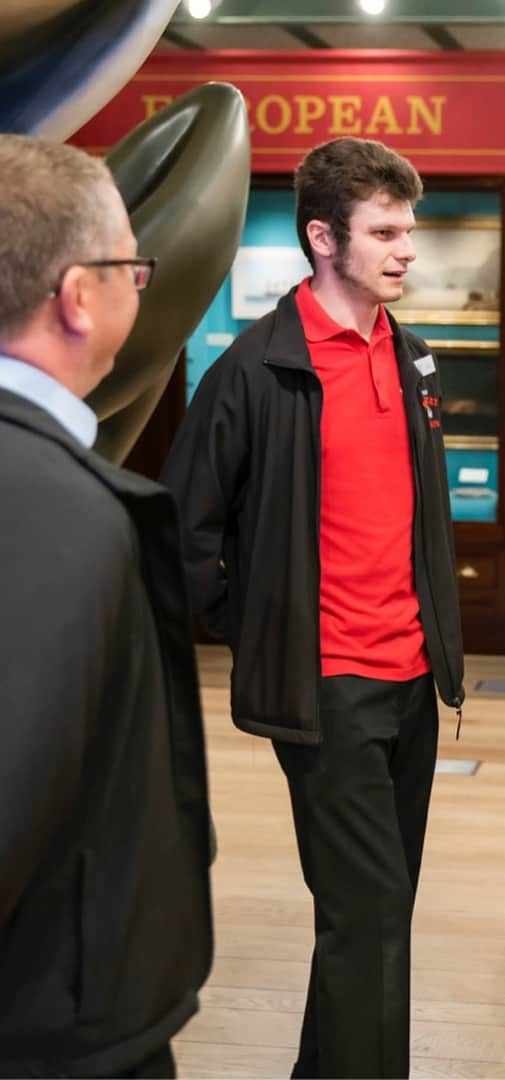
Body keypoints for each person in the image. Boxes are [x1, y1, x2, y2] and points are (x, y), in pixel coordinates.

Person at [161, 136, 466, 1079]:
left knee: (371, 916)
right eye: (384, 231)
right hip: (326, 683)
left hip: (413, 677)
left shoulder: (411, 356)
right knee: (368, 915)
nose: (405, 250)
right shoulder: (253, 371)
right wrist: (260, 627)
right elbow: (183, 535)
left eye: (408, 230)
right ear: (322, 236)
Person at [0, 135, 212, 1078]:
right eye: (133, 264)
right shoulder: (53, 507)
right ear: (80, 296)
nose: (143, 283)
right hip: (55, 1025)